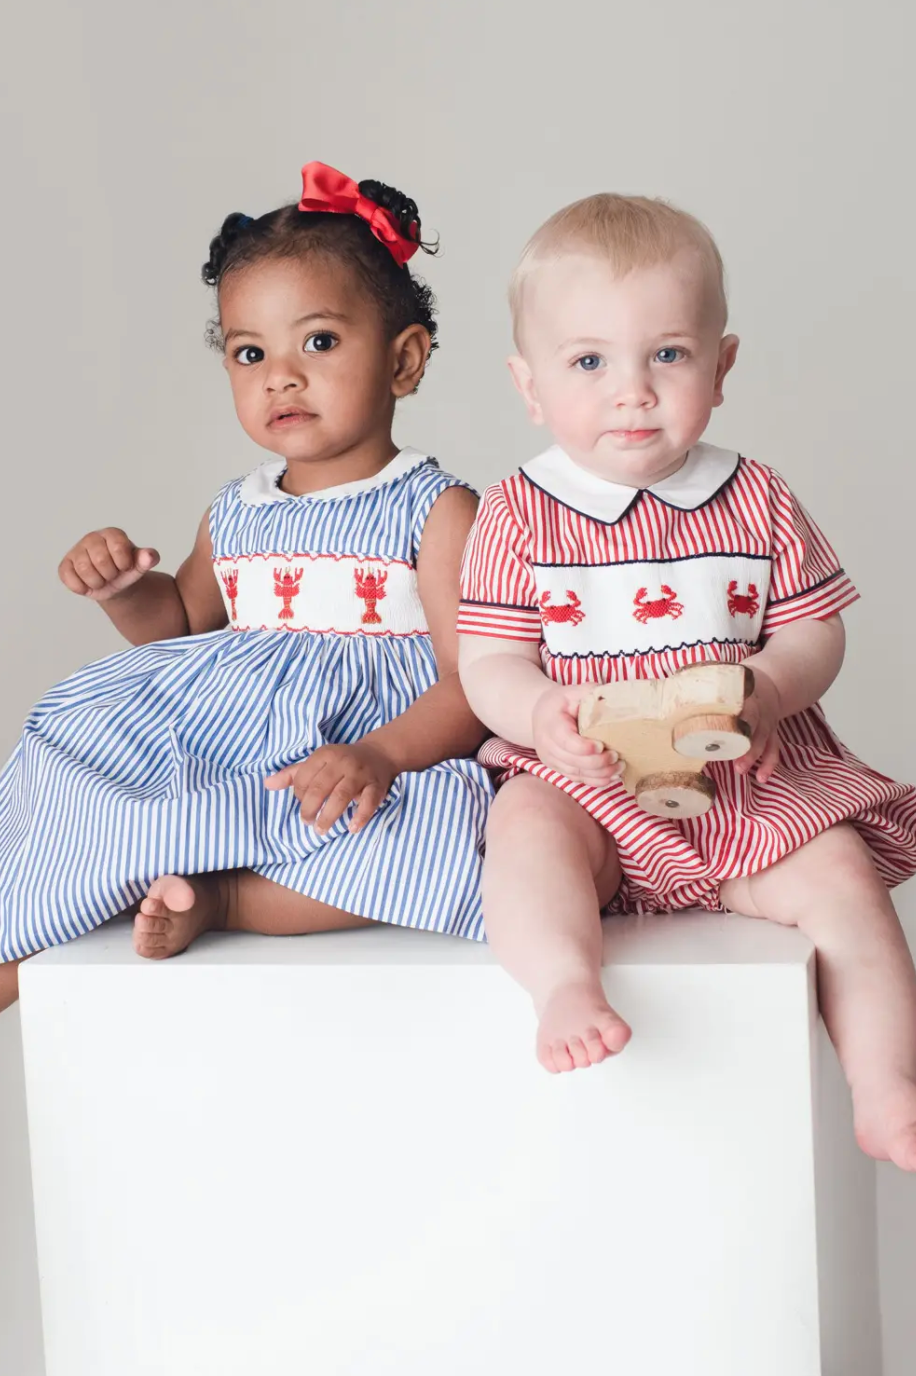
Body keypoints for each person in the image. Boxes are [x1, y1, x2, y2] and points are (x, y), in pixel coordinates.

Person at [457, 191, 916, 1171]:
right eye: (588, 362)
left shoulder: (755, 496)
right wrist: (541, 712)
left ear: (721, 363)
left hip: (746, 782)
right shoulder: (516, 513)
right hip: (586, 781)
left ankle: (884, 1082)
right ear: (528, 384)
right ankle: (565, 982)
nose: (632, 391)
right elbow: (487, 660)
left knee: (840, 884)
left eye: (666, 354)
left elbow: (814, 631)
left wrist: (765, 687)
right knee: (524, 836)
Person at [0, 161, 492, 1013]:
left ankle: (225, 900)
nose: (281, 376)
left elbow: (474, 683)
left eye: (321, 342)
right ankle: (21, 951)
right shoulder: (236, 509)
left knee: (448, 841)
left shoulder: (435, 509)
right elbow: (182, 624)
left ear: (404, 360)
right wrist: (125, 591)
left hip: (354, 751)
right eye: (249, 352)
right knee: (79, 765)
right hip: (229, 747)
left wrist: (380, 754)